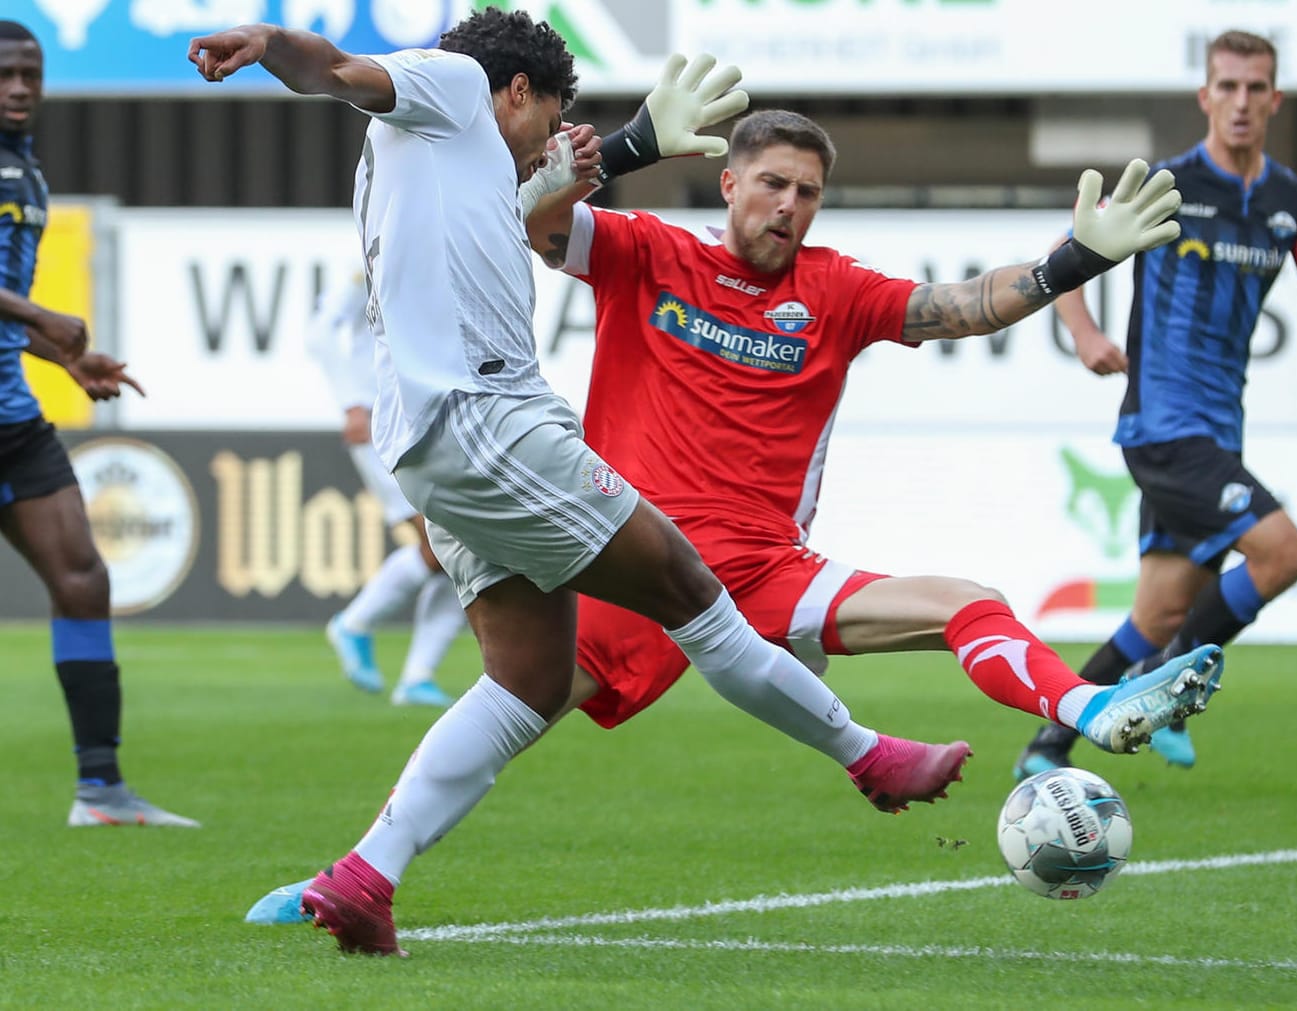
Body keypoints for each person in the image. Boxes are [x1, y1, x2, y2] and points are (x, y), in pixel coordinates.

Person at [246, 103, 1229, 929]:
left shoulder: (835, 291)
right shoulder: (645, 254)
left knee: (970, 601)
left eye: (806, 191)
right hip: (630, 555)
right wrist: (631, 141)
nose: (788, 206)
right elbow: (538, 226)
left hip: (767, 568)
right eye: (771, 184)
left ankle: (1092, 707)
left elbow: (961, 304)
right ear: (728, 185)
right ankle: (360, 876)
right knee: (516, 700)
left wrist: (1068, 263)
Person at [190, 11, 979, 957]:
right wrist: (267, 43)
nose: (546, 139)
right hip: (492, 421)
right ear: (517, 92)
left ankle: (362, 879)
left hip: (429, 445)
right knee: (693, 589)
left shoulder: (433, 161)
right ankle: (872, 757)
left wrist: (629, 142)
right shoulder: (449, 90)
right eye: (548, 114)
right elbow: (336, 67)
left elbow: (530, 194)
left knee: (528, 679)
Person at [1013, 29, 1297, 780]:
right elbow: (1066, 256)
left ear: (1274, 100)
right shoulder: (1167, 185)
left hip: (1218, 434)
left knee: (1156, 614)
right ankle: (1171, 682)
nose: (1241, 102)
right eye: (1228, 86)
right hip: (1162, 428)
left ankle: (1050, 740)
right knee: (1283, 552)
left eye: (1255, 89)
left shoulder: (1289, 201)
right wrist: (1084, 336)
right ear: (1205, 96)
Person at [0, 19, 198, 828]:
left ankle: (101, 789)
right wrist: (45, 316)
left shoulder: (28, 171)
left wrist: (63, 359)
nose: (18, 88)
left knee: (83, 576)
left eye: (30, 74)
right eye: (6, 75)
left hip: (13, 414)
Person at [306, 268, 466, 707]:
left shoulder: (443, 256)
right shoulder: (372, 260)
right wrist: (351, 403)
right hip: (382, 419)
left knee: (463, 550)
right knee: (444, 546)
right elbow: (320, 332)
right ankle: (354, 624)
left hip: (429, 420)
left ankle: (417, 678)